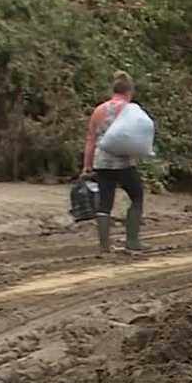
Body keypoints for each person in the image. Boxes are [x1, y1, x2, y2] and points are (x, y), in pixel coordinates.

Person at [82, 71, 144, 253]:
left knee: (104, 202)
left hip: (102, 163)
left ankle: (104, 246)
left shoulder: (99, 111)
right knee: (137, 196)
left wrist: (87, 165)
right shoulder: (131, 110)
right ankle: (132, 241)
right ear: (129, 91)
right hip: (125, 163)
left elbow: (91, 139)